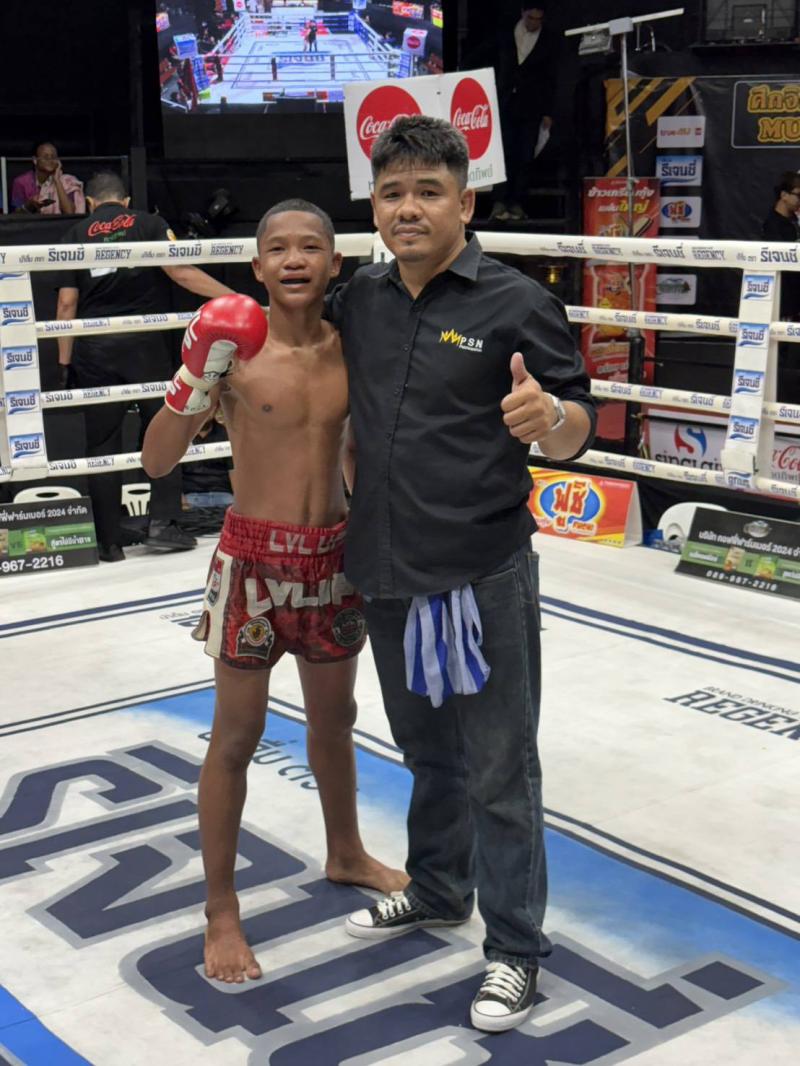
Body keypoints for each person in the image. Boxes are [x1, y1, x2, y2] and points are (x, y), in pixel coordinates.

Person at [328, 116, 596, 1032]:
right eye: (393, 192)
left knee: (498, 768)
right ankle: (440, 888)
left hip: (481, 567)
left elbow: (577, 423)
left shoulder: (515, 302)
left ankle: (515, 949)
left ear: (465, 203)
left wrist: (549, 418)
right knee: (427, 752)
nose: (409, 208)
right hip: (387, 564)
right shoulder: (361, 298)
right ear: (375, 205)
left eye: (428, 192)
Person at [141, 199, 406, 985]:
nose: (295, 258)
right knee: (236, 737)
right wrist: (196, 376)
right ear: (256, 267)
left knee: (336, 721)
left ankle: (346, 851)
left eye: (311, 246)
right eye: (279, 248)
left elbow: (357, 453)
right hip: (253, 566)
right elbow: (157, 461)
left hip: (333, 560)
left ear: (335, 262)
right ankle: (220, 911)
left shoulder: (353, 347)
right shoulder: (237, 350)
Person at [55, 170, 233, 562]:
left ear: (89, 202)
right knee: (167, 428)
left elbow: (66, 303)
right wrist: (234, 298)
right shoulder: (149, 223)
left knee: (102, 443)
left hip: (94, 346)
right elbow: (180, 272)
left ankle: (108, 541)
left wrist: (64, 362)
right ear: (125, 201)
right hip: (144, 342)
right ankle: (163, 523)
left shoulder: (74, 233)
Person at [490, 4, 558, 222]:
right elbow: (491, 61)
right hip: (504, 101)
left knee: (525, 155)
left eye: (538, 19)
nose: (533, 23)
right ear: (523, 14)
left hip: (532, 105)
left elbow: (551, 78)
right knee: (503, 152)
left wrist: (548, 111)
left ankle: (517, 202)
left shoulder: (548, 40)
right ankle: (499, 201)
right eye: (530, 18)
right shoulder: (505, 33)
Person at [10, 141, 85, 215]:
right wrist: (29, 205)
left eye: (53, 157)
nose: (50, 160)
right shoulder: (21, 182)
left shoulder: (68, 181)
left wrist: (57, 180)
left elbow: (69, 212)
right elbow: (15, 216)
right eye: (46, 157)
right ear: (35, 160)